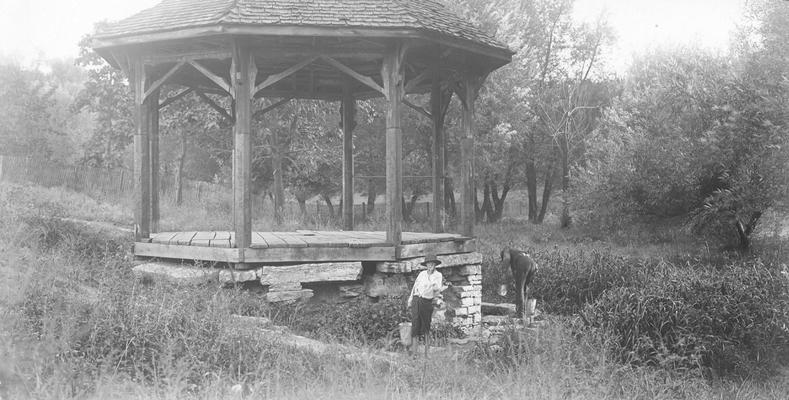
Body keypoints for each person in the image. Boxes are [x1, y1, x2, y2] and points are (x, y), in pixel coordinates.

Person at [406, 253, 443, 356]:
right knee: (415, 325)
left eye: (432, 264)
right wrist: (410, 299)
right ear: (426, 264)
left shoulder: (438, 275)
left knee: (426, 326)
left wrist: (433, 283)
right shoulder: (422, 274)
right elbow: (414, 287)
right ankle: (414, 353)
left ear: (435, 265)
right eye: (428, 264)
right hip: (416, 300)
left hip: (427, 302)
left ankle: (427, 353)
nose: (430, 266)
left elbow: (437, 289)